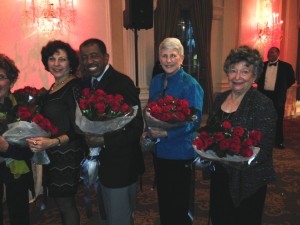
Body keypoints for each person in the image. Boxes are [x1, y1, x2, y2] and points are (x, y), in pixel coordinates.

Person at [202, 46, 277, 225]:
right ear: (227, 73)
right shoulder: (220, 98)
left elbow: (264, 147)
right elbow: (211, 132)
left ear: (254, 75)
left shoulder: (262, 104)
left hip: (248, 180)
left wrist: (238, 159)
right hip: (220, 174)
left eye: (244, 71)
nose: (237, 77)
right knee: (220, 217)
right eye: (233, 70)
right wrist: (204, 149)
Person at [79, 38, 145, 225]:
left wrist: (104, 140)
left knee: (119, 218)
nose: (89, 61)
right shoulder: (86, 83)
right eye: (85, 57)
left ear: (106, 57)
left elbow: (135, 127)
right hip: (98, 165)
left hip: (120, 166)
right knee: (106, 216)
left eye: (94, 56)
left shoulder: (122, 83)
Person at [142, 37, 204, 225]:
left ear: (182, 58)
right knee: (165, 198)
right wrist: (147, 130)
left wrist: (168, 134)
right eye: (164, 56)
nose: (168, 60)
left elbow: (195, 120)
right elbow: (151, 110)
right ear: (159, 58)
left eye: (173, 56)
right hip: (160, 151)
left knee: (180, 202)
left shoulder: (191, 84)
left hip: (180, 151)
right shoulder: (156, 81)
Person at [26, 40, 86, 225]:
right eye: (52, 59)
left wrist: (52, 142)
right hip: (53, 152)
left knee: (65, 203)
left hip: (68, 153)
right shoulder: (54, 87)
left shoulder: (75, 87)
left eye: (62, 59)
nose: (57, 64)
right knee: (61, 203)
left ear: (70, 63)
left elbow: (80, 128)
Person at [0, 53, 34, 225]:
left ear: (11, 82)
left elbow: (30, 150)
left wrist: (8, 148)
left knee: (19, 216)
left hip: (17, 170)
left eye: (1, 77)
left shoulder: (22, 109)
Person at [256, 46, 295, 149]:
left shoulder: (286, 66)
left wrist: (282, 88)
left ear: (278, 54)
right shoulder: (262, 66)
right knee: (262, 118)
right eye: (269, 52)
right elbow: (256, 78)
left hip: (277, 96)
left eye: (272, 52)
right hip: (263, 95)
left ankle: (279, 141)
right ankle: (261, 140)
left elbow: (291, 79)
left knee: (278, 119)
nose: (270, 54)